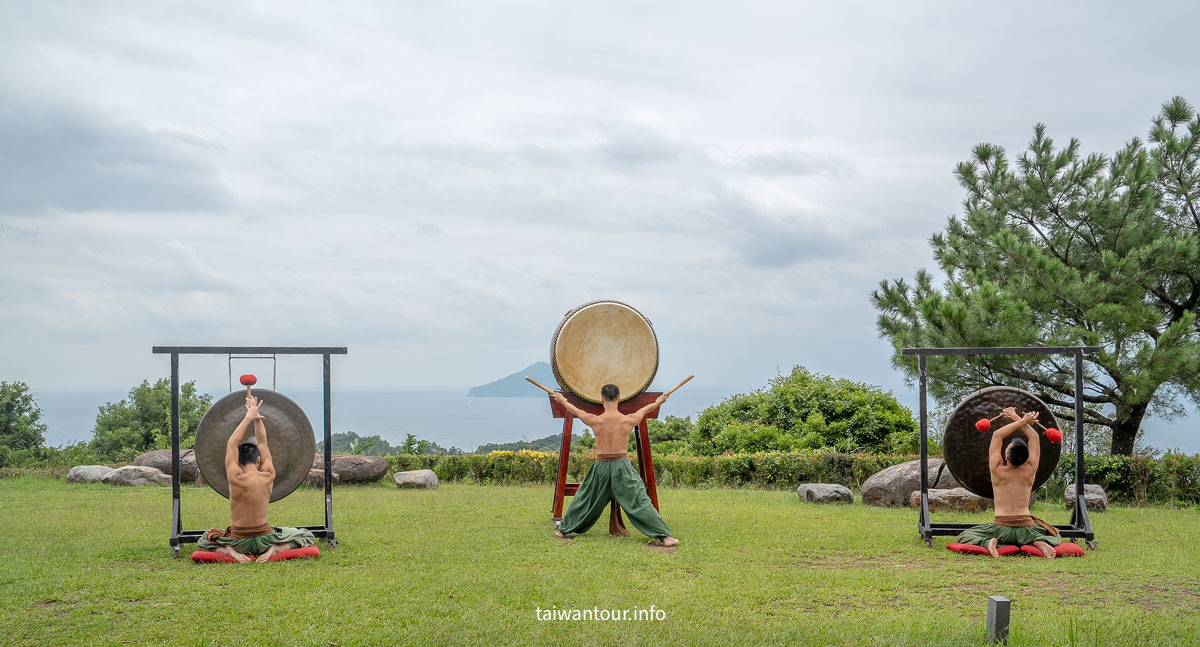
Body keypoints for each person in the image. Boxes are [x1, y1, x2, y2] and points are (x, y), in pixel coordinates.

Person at [552, 384, 679, 547]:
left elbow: (576, 410)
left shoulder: (595, 420)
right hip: (622, 467)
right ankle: (665, 537)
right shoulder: (629, 419)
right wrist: (659, 401)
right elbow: (645, 409)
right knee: (640, 501)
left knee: (583, 498)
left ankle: (562, 530)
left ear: (602, 399)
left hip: (601, 467)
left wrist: (561, 400)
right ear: (619, 399)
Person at [197, 394, 316, 563]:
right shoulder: (268, 474)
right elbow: (263, 443)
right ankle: (275, 550)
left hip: (239, 542)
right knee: (306, 535)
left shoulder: (235, 476)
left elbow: (231, 444)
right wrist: (257, 417)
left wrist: (248, 417)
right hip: (264, 539)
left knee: (204, 539)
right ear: (259, 460)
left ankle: (231, 552)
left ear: (238, 461)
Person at [955, 407, 1062, 558]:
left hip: (1001, 529)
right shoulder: (1030, 469)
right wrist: (1019, 419)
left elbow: (997, 435)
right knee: (1055, 536)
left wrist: (1019, 418)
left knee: (966, 535)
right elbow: (1034, 437)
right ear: (1026, 457)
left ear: (1006, 456)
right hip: (1026, 530)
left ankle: (989, 542)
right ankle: (1039, 541)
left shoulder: (997, 469)